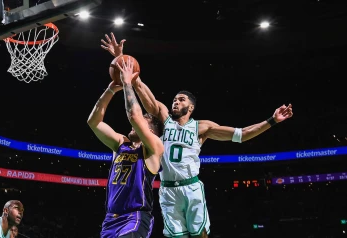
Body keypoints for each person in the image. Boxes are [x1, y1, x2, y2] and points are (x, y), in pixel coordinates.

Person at [101, 33, 294, 238]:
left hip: (191, 186)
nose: (176, 102)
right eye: (175, 99)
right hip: (167, 189)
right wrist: (123, 60)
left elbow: (243, 134)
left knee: (200, 234)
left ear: (190, 107)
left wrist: (272, 120)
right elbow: (140, 88)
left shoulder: (202, 128)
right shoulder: (165, 120)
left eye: (181, 100)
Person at [87, 57, 164, 238]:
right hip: (110, 219)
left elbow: (134, 116)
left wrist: (127, 83)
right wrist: (110, 89)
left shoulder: (154, 147)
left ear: (151, 130)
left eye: (144, 120)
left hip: (134, 217)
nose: (133, 126)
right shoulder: (121, 144)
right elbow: (93, 122)